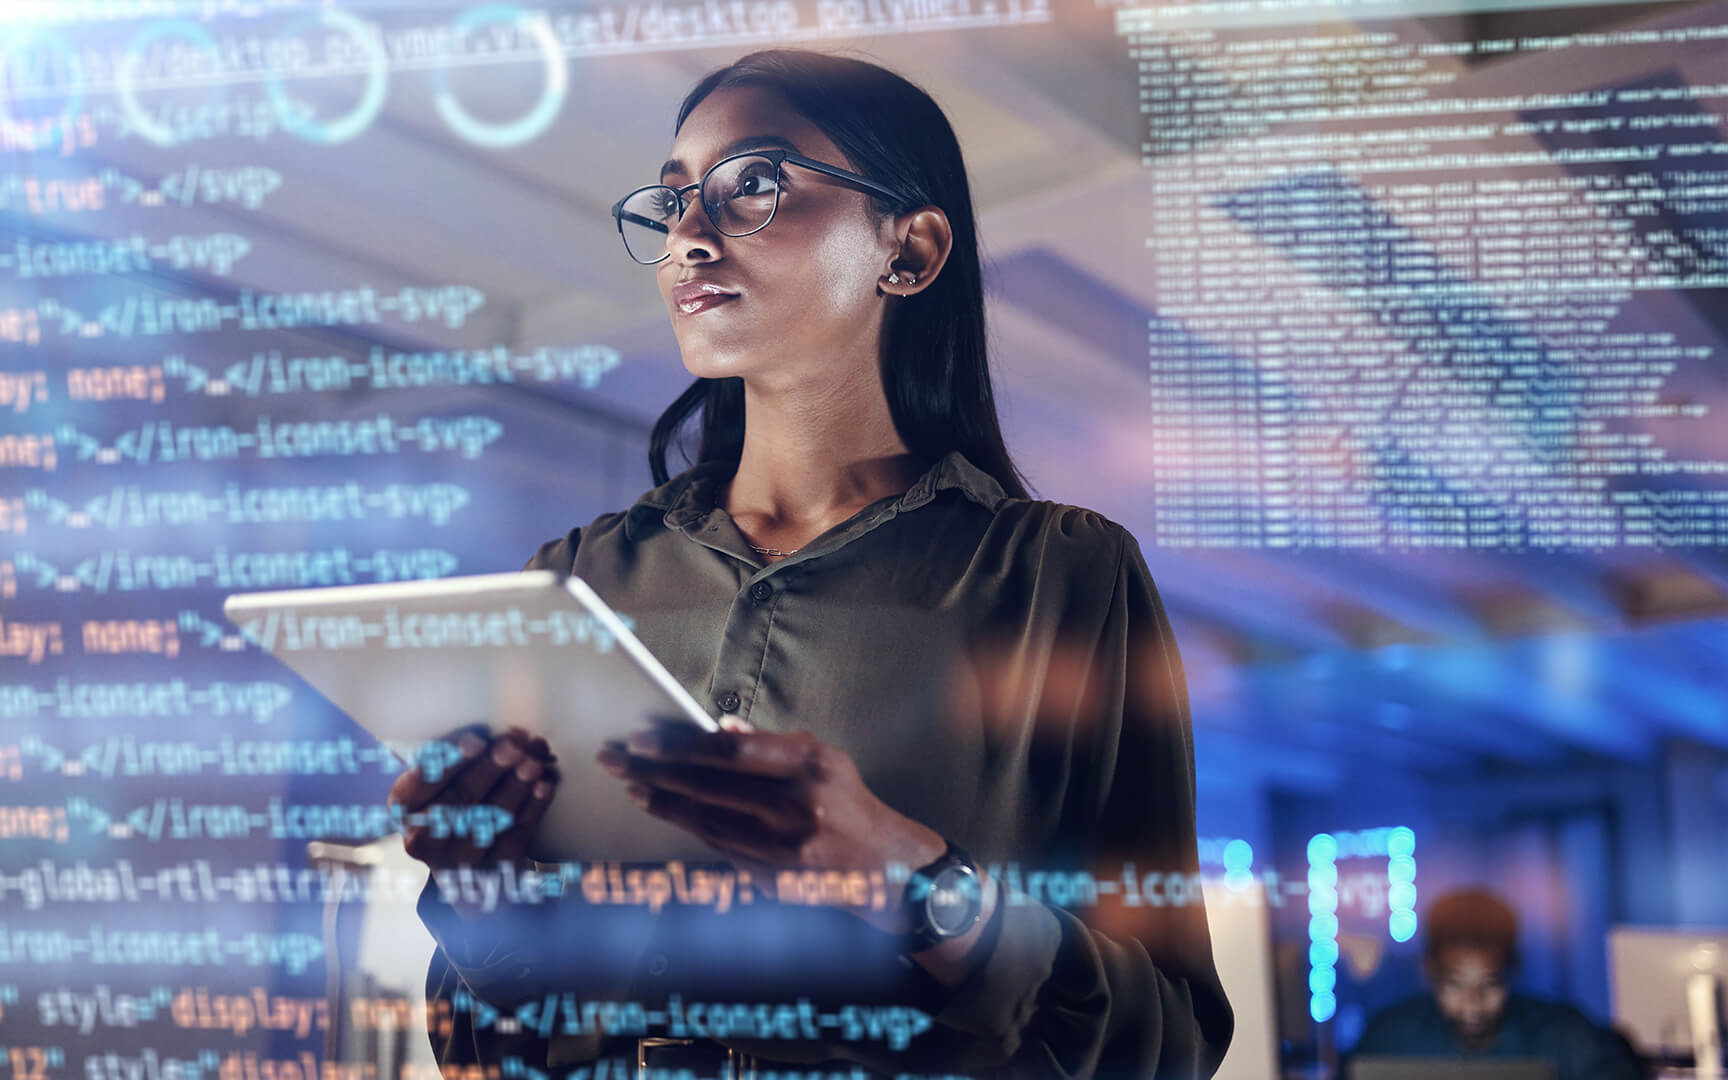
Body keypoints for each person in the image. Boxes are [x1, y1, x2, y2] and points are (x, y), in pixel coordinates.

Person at [387, 48, 1232, 1079]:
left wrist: (913, 880)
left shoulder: (1058, 577)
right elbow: (483, 1052)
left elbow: (1172, 1045)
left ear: (909, 250)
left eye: (755, 184)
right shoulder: (578, 582)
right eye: (674, 200)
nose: (688, 237)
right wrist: (481, 898)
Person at [1350, 889, 1642, 1079]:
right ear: (1429, 972)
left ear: (1513, 971)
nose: (1473, 1004)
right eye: (1454, 986)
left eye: (1490, 985)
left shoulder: (1568, 1035)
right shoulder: (1388, 1036)